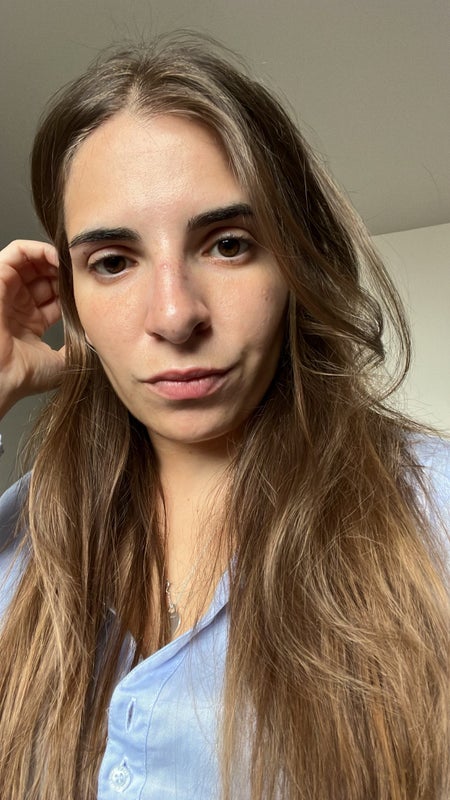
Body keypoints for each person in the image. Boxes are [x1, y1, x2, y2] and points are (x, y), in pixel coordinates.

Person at [0, 33, 448, 800]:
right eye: (114, 261)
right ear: (71, 297)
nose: (175, 316)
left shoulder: (433, 513)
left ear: (296, 259)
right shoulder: (23, 531)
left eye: (229, 244)